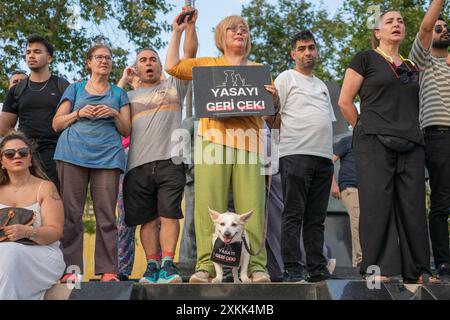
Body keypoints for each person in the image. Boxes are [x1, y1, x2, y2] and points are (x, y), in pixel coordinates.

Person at [166, 13, 278, 283]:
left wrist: (275, 101)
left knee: (251, 208)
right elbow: (171, 67)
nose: (239, 32)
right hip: (212, 141)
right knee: (209, 207)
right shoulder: (207, 64)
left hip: (250, 141)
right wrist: (177, 31)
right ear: (221, 36)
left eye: (244, 29)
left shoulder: (259, 68)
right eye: (232, 29)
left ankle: (256, 268)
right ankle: (204, 266)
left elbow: (272, 120)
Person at [339, 10, 435, 283]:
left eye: (401, 21)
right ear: (378, 32)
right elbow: (345, 101)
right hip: (374, 142)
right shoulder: (366, 58)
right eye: (390, 21)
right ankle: (376, 270)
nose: (397, 24)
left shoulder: (410, 65)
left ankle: (417, 270)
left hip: (412, 142)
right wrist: (364, 128)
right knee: (376, 206)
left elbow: (427, 32)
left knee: (414, 207)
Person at [123, 10, 198, 284]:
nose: (149, 63)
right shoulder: (127, 97)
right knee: (147, 220)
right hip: (137, 165)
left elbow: (188, 57)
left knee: (169, 214)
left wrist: (182, 30)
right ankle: (151, 266)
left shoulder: (174, 86)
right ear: (136, 68)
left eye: (153, 59)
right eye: (143, 60)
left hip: (171, 160)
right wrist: (122, 81)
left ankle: (168, 264)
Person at [52, 44, 131, 282]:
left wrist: (114, 113)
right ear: (89, 62)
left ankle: (108, 271)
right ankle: (71, 271)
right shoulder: (75, 89)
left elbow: (127, 129)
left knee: (107, 215)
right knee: (71, 214)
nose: (104, 61)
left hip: (107, 157)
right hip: (71, 154)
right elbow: (56, 124)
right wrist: (79, 113)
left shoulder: (118, 94)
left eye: (108, 57)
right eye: (99, 57)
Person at [274, 30, 336, 283]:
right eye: (301, 48)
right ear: (293, 53)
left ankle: (317, 269)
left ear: (317, 51)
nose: (307, 52)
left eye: (311, 47)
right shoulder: (286, 78)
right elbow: (273, 119)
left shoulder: (321, 85)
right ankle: (292, 268)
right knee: (293, 214)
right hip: (295, 153)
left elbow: (327, 121)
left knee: (316, 218)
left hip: (323, 158)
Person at [409, 0, 450, 281]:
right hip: (438, 137)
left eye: (447, 27)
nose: (444, 29)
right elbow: (425, 26)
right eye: (440, 27)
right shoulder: (421, 63)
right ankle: (444, 264)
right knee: (441, 202)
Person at [0, 131, 65, 299]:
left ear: (30, 159)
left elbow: (55, 232)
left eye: (22, 152)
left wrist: (27, 231)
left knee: (9, 252)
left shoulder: (46, 188)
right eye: (9, 153)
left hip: (42, 254)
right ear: (2, 161)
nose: (17, 156)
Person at [0, 35, 70, 189]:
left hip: (57, 153)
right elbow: (4, 128)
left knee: (54, 200)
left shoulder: (62, 85)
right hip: (26, 154)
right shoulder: (17, 90)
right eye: (28, 52)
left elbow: (71, 120)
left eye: (37, 51)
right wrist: (21, 147)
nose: (31, 55)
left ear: (49, 58)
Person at [331, 134, 362, 268]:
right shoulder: (347, 141)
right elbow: (330, 161)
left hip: (368, 189)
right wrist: (333, 185)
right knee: (358, 221)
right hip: (350, 187)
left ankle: (363, 260)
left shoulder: (371, 142)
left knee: (364, 223)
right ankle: (359, 261)